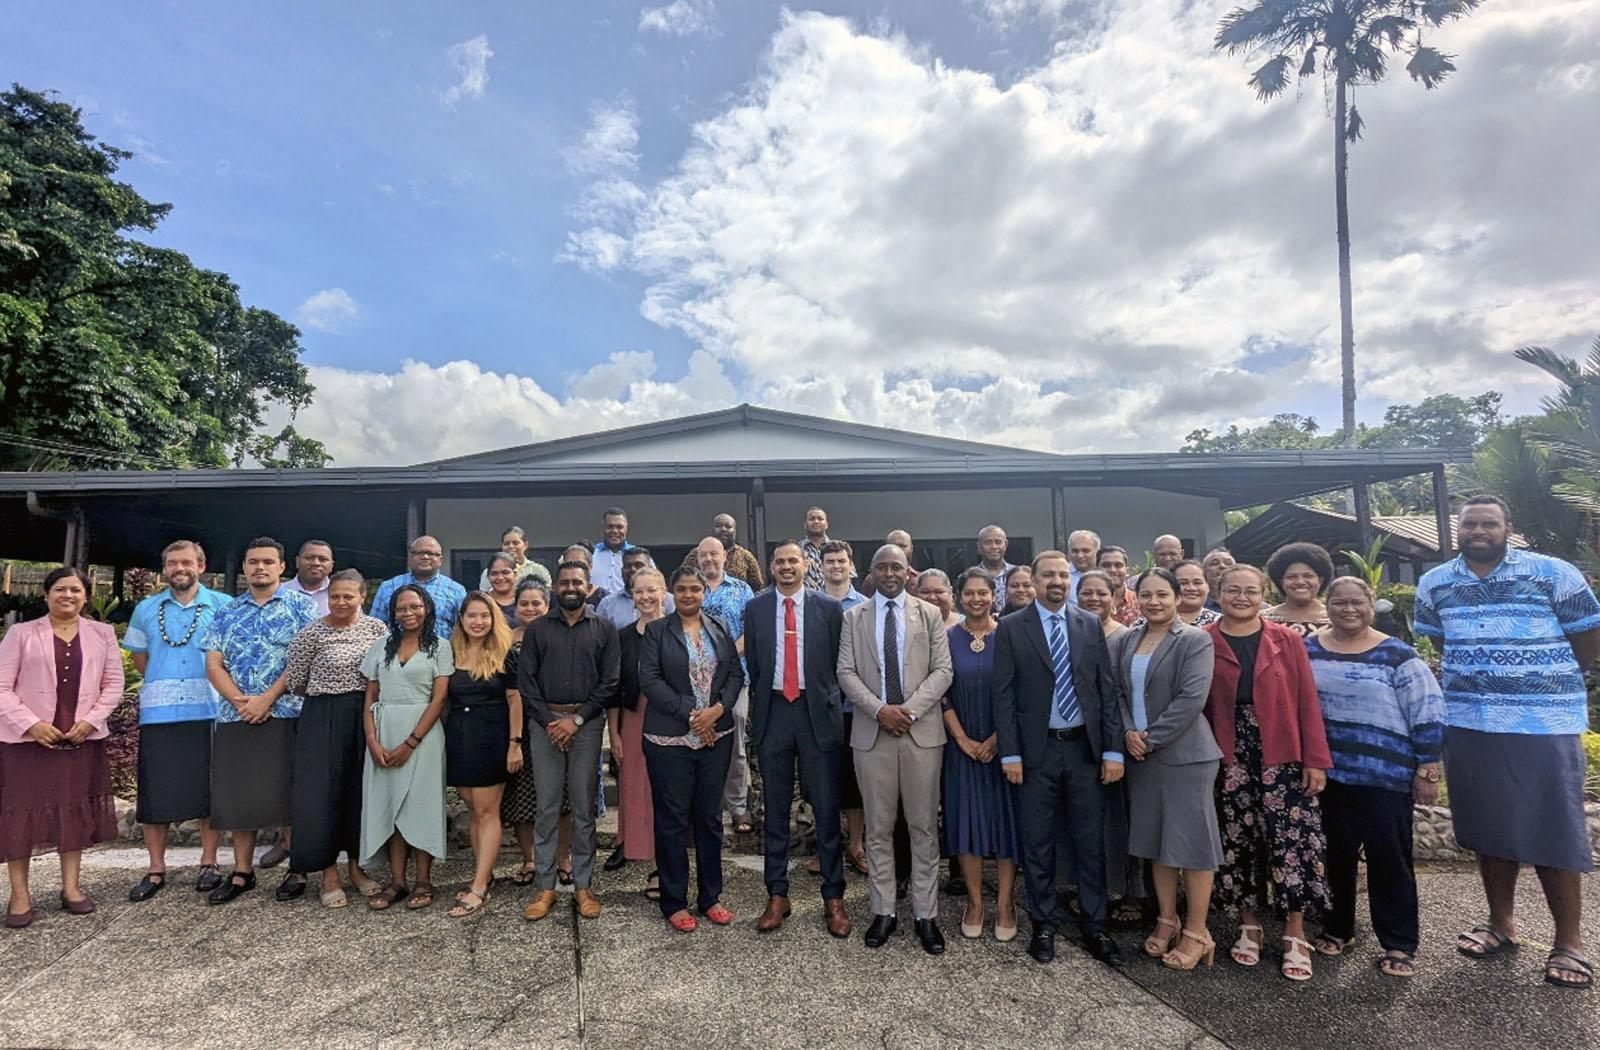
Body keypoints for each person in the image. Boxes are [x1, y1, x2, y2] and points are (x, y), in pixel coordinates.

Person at [1414, 495, 1600, 989]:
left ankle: (1569, 942)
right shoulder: (1435, 583)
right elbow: (1439, 643)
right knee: (1488, 829)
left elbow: (1587, 634)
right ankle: (1502, 922)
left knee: (1554, 828)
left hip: (1542, 722)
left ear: (1507, 527)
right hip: (1470, 722)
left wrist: (1545, 679)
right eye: (1470, 523)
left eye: (1489, 523)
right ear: (1458, 529)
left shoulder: (1551, 572)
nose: (1479, 530)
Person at [1307, 576, 1444, 977]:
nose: (1348, 610)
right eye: (1339, 603)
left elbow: (1427, 710)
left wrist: (1427, 768)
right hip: (1328, 775)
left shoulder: (1397, 655)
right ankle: (1337, 928)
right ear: (1327, 605)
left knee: (1390, 859)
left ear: (1371, 604)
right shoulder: (1308, 648)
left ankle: (1399, 942)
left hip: (1384, 777)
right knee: (1335, 856)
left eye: (1357, 602)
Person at [993, 550, 1125, 968]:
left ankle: (1094, 923)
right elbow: (1004, 695)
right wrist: (1010, 752)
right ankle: (1043, 923)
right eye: (1047, 574)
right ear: (1032, 579)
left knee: (1090, 840)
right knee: (1037, 842)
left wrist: (1112, 748)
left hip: (1084, 749)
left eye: (1063, 575)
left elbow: (1106, 691)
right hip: (1036, 753)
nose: (1057, 581)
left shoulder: (1088, 624)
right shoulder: (1012, 628)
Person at [1204, 564, 1332, 981]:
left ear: (1263, 595)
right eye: (1232, 590)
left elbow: (1306, 701)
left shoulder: (1288, 639)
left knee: (1289, 837)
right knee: (1237, 836)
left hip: (1283, 750)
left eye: (1251, 591)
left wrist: (1315, 758)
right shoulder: (1203, 640)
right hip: (1229, 751)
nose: (1241, 598)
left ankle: (1294, 930)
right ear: (1217, 593)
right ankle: (1249, 921)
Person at [838, 543, 954, 955]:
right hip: (873, 736)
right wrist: (880, 710)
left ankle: (926, 914)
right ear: (870, 574)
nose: (890, 573)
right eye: (882, 567)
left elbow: (943, 670)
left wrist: (908, 711)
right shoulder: (853, 617)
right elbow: (846, 673)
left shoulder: (928, 615)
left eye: (897, 567)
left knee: (923, 828)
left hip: (921, 735)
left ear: (909, 574)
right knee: (879, 828)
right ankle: (883, 910)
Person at [1108, 568, 1222, 972]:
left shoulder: (1193, 640)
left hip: (1184, 755)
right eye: (1146, 595)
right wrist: (1126, 732)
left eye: (1162, 594)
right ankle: (1166, 919)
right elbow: (1119, 692)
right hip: (1141, 756)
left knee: (1192, 845)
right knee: (1158, 842)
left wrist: (1151, 737)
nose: (1154, 602)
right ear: (1135, 598)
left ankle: (1196, 931)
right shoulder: (1128, 638)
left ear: (1177, 597)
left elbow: (1192, 698)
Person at [0, 567, 122, 928]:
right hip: (27, 743)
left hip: (80, 739)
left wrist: (91, 721)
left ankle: (71, 888)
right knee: (20, 816)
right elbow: (2, 687)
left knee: (73, 812)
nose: (67, 596)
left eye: (75, 590)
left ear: (86, 597)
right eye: (60, 589)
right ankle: (20, 894)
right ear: (46, 595)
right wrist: (31, 725)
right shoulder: (21, 633)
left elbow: (113, 684)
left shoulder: (102, 634)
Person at [201, 538, 318, 905]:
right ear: (245, 567)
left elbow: (304, 659)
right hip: (236, 716)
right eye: (253, 562)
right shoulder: (226, 611)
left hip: (288, 712)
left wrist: (267, 698)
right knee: (240, 796)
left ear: (282, 566)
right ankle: (242, 872)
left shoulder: (302, 607)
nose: (260, 568)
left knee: (290, 792)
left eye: (268, 561)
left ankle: (296, 867)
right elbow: (214, 664)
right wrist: (240, 701)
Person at [744, 540, 850, 937]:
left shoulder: (828, 608)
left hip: (816, 714)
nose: (787, 566)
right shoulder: (755, 609)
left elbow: (838, 663)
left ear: (806, 565)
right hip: (775, 713)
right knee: (774, 810)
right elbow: (755, 664)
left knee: (826, 809)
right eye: (780, 561)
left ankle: (833, 897)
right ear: (771, 567)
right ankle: (776, 894)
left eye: (793, 560)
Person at [267, 569, 388, 907]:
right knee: (321, 795)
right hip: (321, 717)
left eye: (349, 596)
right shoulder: (311, 633)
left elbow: (384, 674)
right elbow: (297, 681)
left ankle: (357, 869)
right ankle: (328, 874)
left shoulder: (377, 630)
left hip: (364, 714)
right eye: (335, 596)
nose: (341, 602)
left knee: (359, 792)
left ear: (363, 597)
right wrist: (329, 695)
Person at [122, 540, 230, 902]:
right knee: (156, 792)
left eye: (186, 562)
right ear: (164, 569)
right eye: (172, 563)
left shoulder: (223, 606)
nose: (179, 569)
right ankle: (155, 868)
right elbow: (141, 659)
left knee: (210, 789)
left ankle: (210, 862)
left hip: (209, 709)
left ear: (201, 565)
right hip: (160, 713)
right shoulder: (146, 609)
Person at [639, 566, 745, 932]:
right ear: (672, 592)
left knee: (710, 820)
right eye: (681, 589)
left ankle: (711, 896)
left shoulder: (720, 628)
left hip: (716, 737)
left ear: (704, 593)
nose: (688, 595)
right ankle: (674, 901)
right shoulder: (656, 631)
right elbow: (649, 680)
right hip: (670, 741)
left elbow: (735, 675)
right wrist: (692, 716)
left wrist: (716, 712)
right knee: (671, 822)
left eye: (695, 589)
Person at [517, 559, 619, 922]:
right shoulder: (538, 630)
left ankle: (583, 886)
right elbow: (526, 683)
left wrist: (575, 721)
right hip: (545, 725)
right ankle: (545, 888)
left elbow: (610, 683)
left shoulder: (604, 629)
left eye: (578, 581)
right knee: (546, 807)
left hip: (586, 724)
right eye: (564, 582)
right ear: (555, 588)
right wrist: (550, 722)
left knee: (582, 807)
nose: (571, 587)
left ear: (589, 586)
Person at [360, 584, 452, 912]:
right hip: (384, 731)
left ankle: (424, 880)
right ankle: (397, 881)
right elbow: (370, 697)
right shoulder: (380, 647)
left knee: (421, 806)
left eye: (415, 606)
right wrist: (372, 740)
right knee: (392, 807)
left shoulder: (440, 647)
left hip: (423, 736)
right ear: (393, 612)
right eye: (401, 608)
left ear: (426, 608)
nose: (408, 613)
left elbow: (439, 699)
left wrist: (412, 741)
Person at [942, 568, 1022, 942]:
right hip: (961, 747)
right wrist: (962, 739)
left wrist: (997, 738)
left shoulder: (1010, 635)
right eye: (969, 593)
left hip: (1004, 746)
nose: (976, 599)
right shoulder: (945, 638)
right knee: (966, 823)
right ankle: (975, 903)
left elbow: (1022, 692)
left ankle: (1006, 903)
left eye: (983, 593)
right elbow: (941, 692)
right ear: (959, 597)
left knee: (1006, 825)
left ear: (995, 596)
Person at [444, 592, 524, 918]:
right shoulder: (451, 653)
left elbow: (516, 701)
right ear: (462, 619)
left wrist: (515, 744)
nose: (478, 622)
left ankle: (479, 886)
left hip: (493, 737)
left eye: (484, 616)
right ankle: (484, 873)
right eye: (472, 616)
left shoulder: (506, 654)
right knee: (474, 810)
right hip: (459, 738)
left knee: (488, 812)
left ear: (494, 619)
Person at [610, 566, 667, 902]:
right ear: (632, 597)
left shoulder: (676, 630)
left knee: (667, 792)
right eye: (639, 591)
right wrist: (614, 732)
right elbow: (615, 689)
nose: (645, 597)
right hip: (633, 719)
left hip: (671, 719)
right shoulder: (623, 637)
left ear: (664, 592)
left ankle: (665, 866)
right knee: (638, 789)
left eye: (651, 590)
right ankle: (647, 855)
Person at [697, 537, 757, 838]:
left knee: (735, 737)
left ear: (725, 557)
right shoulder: (690, 588)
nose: (709, 559)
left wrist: (727, 655)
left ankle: (737, 806)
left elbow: (751, 630)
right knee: (701, 738)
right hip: (696, 679)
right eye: (704, 554)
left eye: (714, 554)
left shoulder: (742, 589)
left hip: (736, 675)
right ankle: (707, 806)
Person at [819, 540, 870, 874]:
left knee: (854, 780)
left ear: (851, 565)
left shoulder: (866, 606)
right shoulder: (811, 604)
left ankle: (856, 845)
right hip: (820, 707)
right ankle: (827, 847)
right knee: (822, 780)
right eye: (830, 561)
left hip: (854, 708)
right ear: (821, 566)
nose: (836, 566)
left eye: (841, 560)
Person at [501, 578, 550, 885]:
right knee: (521, 797)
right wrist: (513, 741)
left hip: (552, 724)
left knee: (560, 798)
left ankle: (562, 858)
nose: (530, 608)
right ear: (515, 607)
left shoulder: (558, 636)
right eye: (524, 603)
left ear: (547, 606)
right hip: (515, 728)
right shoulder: (504, 640)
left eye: (537, 603)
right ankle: (530, 859)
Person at [370, 536, 467, 640]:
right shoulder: (388, 587)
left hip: (441, 654)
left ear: (440, 559)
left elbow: (464, 629)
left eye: (430, 553)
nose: (424, 557)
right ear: (410, 557)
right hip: (395, 653)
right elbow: (374, 629)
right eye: (418, 553)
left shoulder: (456, 591)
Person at [1264, 542, 1335, 637]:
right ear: (1281, 581)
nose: (1300, 582)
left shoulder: (1336, 619)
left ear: (1320, 580)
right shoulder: (1262, 620)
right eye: (1291, 577)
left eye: (1308, 576)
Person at [681, 513, 765, 590]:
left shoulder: (746, 556)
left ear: (735, 531)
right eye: (718, 526)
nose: (723, 529)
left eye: (728, 526)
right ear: (712, 529)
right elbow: (681, 580)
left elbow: (758, 588)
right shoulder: (696, 553)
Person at [598, 547, 674, 629]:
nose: (633, 569)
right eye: (628, 566)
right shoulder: (607, 604)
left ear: (650, 568)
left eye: (639, 565)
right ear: (621, 570)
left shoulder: (669, 600)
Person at [477, 526, 552, 592]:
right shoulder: (489, 573)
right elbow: (484, 596)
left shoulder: (538, 570)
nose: (510, 547)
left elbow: (547, 597)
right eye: (506, 543)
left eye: (515, 543)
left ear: (525, 545)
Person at [281, 539, 334, 615]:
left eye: (323, 559)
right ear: (297, 561)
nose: (316, 563)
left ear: (332, 566)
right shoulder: (278, 592)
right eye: (309, 558)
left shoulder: (342, 596)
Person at [590, 507, 634, 596]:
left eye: (619, 527)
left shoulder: (637, 555)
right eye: (610, 527)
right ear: (603, 527)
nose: (614, 531)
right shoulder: (591, 554)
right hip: (595, 608)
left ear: (626, 528)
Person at [976, 525, 1017, 617]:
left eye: (998, 542)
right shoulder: (971, 577)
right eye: (987, 542)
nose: (994, 547)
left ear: (1005, 545)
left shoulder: (1017, 574)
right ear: (979, 546)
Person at [1075, 570, 1127, 639]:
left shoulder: (1125, 636)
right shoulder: (1066, 631)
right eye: (1087, 593)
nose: (1094, 598)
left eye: (1101, 594)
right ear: (1077, 595)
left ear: (1112, 597)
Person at [1097, 546, 1139, 626]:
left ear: (1127, 571)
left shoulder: (1139, 603)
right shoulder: (1089, 602)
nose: (1112, 570)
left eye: (1118, 565)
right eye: (1106, 565)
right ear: (1096, 569)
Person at [481, 552, 522, 626]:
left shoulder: (524, 599)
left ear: (515, 574)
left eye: (505, 572)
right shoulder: (482, 601)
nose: (500, 578)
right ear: (488, 576)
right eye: (494, 573)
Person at [1065, 530, 1100, 607]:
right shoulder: (1061, 575)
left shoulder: (1105, 573)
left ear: (1097, 551)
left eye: (1085, 551)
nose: (1080, 555)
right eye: (1075, 551)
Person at [801, 506, 832, 589]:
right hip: (806, 599)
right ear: (805, 525)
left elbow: (848, 577)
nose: (816, 521)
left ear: (826, 524)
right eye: (812, 519)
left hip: (831, 598)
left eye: (820, 519)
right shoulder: (798, 550)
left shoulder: (836, 549)